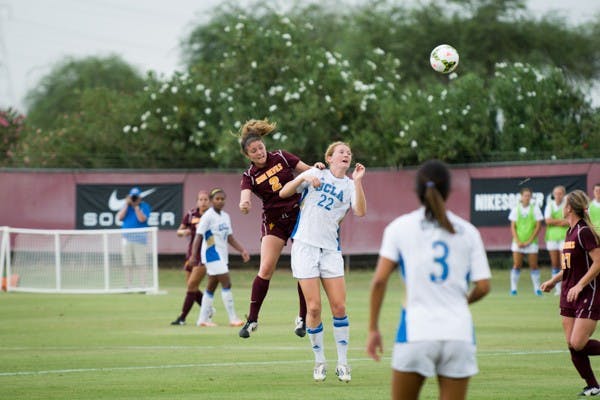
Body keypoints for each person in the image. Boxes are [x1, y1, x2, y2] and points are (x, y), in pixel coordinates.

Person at [366, 160, 491, 400]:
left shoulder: (399, 228)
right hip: (459, 333)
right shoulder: (468, 231)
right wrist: (461, 302)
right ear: (449, 191)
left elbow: (379, 281)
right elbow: (484, 286)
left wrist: (373, 329)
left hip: (415, 333)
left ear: (417, 191)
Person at [279, 141, 366, 382]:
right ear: (329, 158)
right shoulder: (316, 172)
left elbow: (359, 211)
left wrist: (358, 182)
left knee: (339, 307)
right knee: (314, 307)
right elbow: (284, 192)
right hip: (305, 247)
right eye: (341, 152)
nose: (346, 155)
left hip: (330, 250)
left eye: (349, 152)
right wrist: (301, 180)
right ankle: (319, 362)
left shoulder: (350, 185)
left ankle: (343, 363)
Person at [237, 118, 325, 339]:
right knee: (266, 269)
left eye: (260, 148)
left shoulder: (282, 156)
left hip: (299, 216)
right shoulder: (249, 176)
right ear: (247, 156)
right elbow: (245, 195)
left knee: (304, 268)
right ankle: (252, 320)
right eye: (253, 151)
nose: (259, 152)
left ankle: (302, 318)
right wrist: (244, 203)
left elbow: (307, 171)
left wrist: (317, 170)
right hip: (274, 221)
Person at [540, 190, 600, 397]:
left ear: (569, 208)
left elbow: (599, 263)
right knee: (572, 345)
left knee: (578, 342)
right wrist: (552, 281)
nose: (562, 207)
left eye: (565, 204)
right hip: (568, 293)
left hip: (586, 293)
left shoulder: (584, 231)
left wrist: (580, 285)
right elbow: (568, 268)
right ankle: (593, 385)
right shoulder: (569, 231)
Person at [192, 188, 249, 327]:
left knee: (211, 287)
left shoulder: (225, 216)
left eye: (222, 199)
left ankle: (202, 320)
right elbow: (198, 236)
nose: (220, 201)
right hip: (212, 254)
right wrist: (194, 256)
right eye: (217, 199)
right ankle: (233, 318)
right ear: (211, 201)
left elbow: (229, 237)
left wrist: (242, 250)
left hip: (222, 256)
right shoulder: (207, 216)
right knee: (226, 283)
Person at [170, 190, 211, 326]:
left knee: (192, 286)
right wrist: (184, 232)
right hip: (191, 255)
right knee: (191, 286)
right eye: (201, 199)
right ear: (197, 201)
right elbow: (179, 231)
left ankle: (182, 318)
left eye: (206, 199)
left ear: (209, 201)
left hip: (204, 256)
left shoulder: (213, 215)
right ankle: (208, 309)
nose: (203, 202)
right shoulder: (191, 214)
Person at [508, 186, 544, 296]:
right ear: (521, 197)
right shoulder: (516, 209)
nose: (527, 197)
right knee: (517, 265)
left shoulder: (535, 208)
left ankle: (537, 289)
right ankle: (513, 289)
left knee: (533, 265)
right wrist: (518, 241)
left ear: (531, 197)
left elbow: (538, 227)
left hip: (531, 243)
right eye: (525, 195)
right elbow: (513, 227)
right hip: (517, 242)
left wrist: (529, 240)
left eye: (529, 196)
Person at [117, 186, 152, 285]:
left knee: (141, 263)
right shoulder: (125, 206)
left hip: (140, 239)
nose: (134, 199)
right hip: (127, 238)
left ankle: (143, 284)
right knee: (127, 263)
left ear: (140, 197)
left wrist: (136, 207)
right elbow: (120, 217)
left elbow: (142, 219)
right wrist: (127, 205)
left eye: (136, 197)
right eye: (133, 197)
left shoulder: (144, 206)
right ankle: (128, 285)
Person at [544, 185, 569, 296]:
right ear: (553, 195)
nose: (558, 196)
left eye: (560, 193)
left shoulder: (567, 205)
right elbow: (548, 221)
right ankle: (558, 289)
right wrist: (561, 222)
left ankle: (565, 287)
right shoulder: (550, 205)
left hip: (564, 238)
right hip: (552, 238)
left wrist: (556, 222)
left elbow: (568, 222)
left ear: (563, 194)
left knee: (564, 264)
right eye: (556, 193)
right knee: (555, 264)